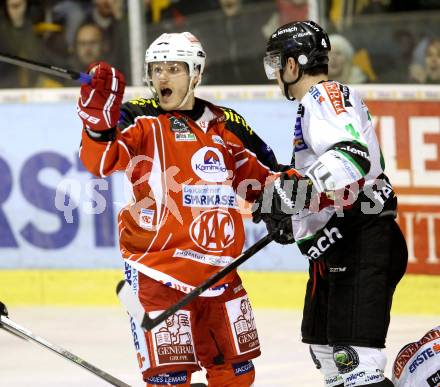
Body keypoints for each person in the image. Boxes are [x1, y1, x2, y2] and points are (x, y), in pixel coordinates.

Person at [76, 32, 278, 386]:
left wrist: (284, 204)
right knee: (170, 379)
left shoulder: (225, 122)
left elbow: (266, 176)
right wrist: (97, 127)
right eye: (156, 70)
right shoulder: (136, 118)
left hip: (220, 274)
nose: (163, 77)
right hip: (158, 272)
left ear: (196, 73)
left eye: (174, 68)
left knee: (236, 376)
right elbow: (101, 161)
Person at [253, 20, 408, 386]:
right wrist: (293, 218)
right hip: (335, 247)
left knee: (357, 366)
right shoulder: (318, 103)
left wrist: (293, 194)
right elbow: (330, 181)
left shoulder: (324, 97)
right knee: (327, 355)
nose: (276, 74)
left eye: (277, 63)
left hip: (360, 241)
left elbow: (352, 157)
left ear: (293, 65)